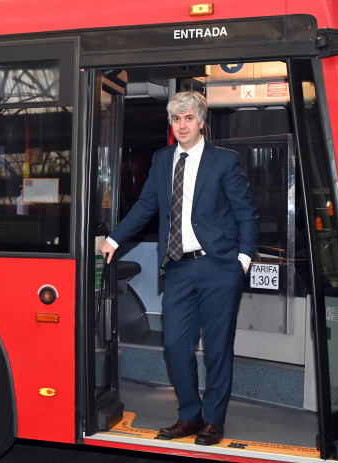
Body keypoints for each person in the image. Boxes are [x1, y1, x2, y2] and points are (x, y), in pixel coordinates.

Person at [99, 90, 257, 446]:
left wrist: (243, 261)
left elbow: (246, 214)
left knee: (217, 348)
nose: (182, 125)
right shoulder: (161, 159)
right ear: (171, 124)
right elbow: (144, 207)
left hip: (219, 267)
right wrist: (114, 240)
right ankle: (190, 414)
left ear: (202, 122)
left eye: (188, 118)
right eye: (176, 119)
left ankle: (213, 421)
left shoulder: (225, 161)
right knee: (175, 344)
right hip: (179, 269)